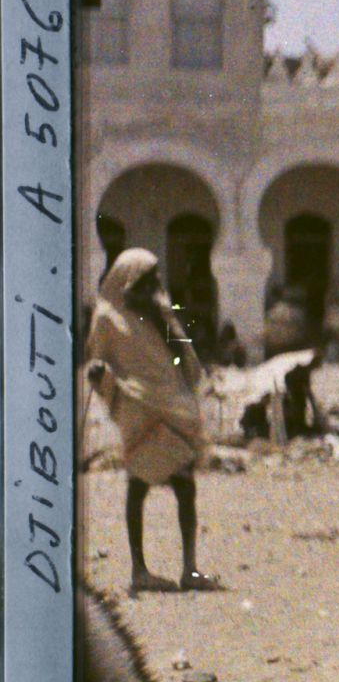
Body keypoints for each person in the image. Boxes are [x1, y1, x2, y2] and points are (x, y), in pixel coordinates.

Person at [84, 249, 225, 595]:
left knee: (185, 486)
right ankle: (139, 570)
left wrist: (163, 319)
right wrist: (101, 378)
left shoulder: (160, 312)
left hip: (172, 405)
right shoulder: (106, 317)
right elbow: (96, 363)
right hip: (138, 407)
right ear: (130, 281)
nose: (155, 287)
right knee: (138, 485)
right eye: (148, 281)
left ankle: (189, 568)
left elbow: (185, 360)